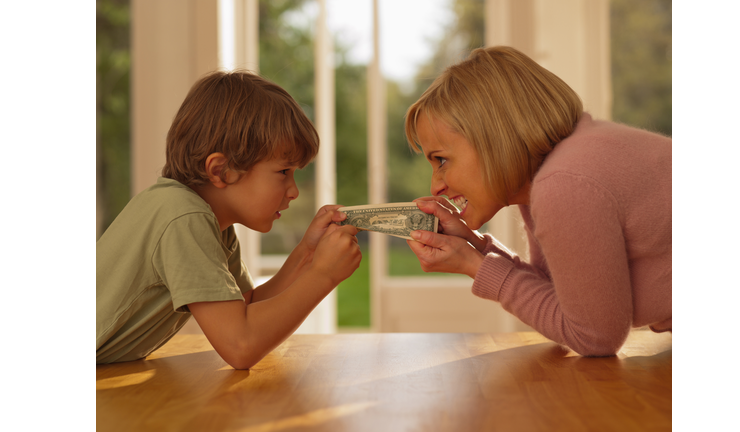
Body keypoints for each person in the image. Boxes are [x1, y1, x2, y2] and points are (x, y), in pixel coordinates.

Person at [404, 46, 671, 356]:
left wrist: (474, 266)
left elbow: (595, 337)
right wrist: (477, 248)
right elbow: (565, 296)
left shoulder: (565, 185)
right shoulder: (561, 170)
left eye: (441, 160)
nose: (435, 185)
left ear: (495, 137)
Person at [97, 70, 361, 369]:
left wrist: (307, 255)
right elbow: (241, 345)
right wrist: (323, 276)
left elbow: (247, 308)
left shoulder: (208, 222)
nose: (294, 191)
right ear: (221, 170)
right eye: (283, 172)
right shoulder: (184, 217)